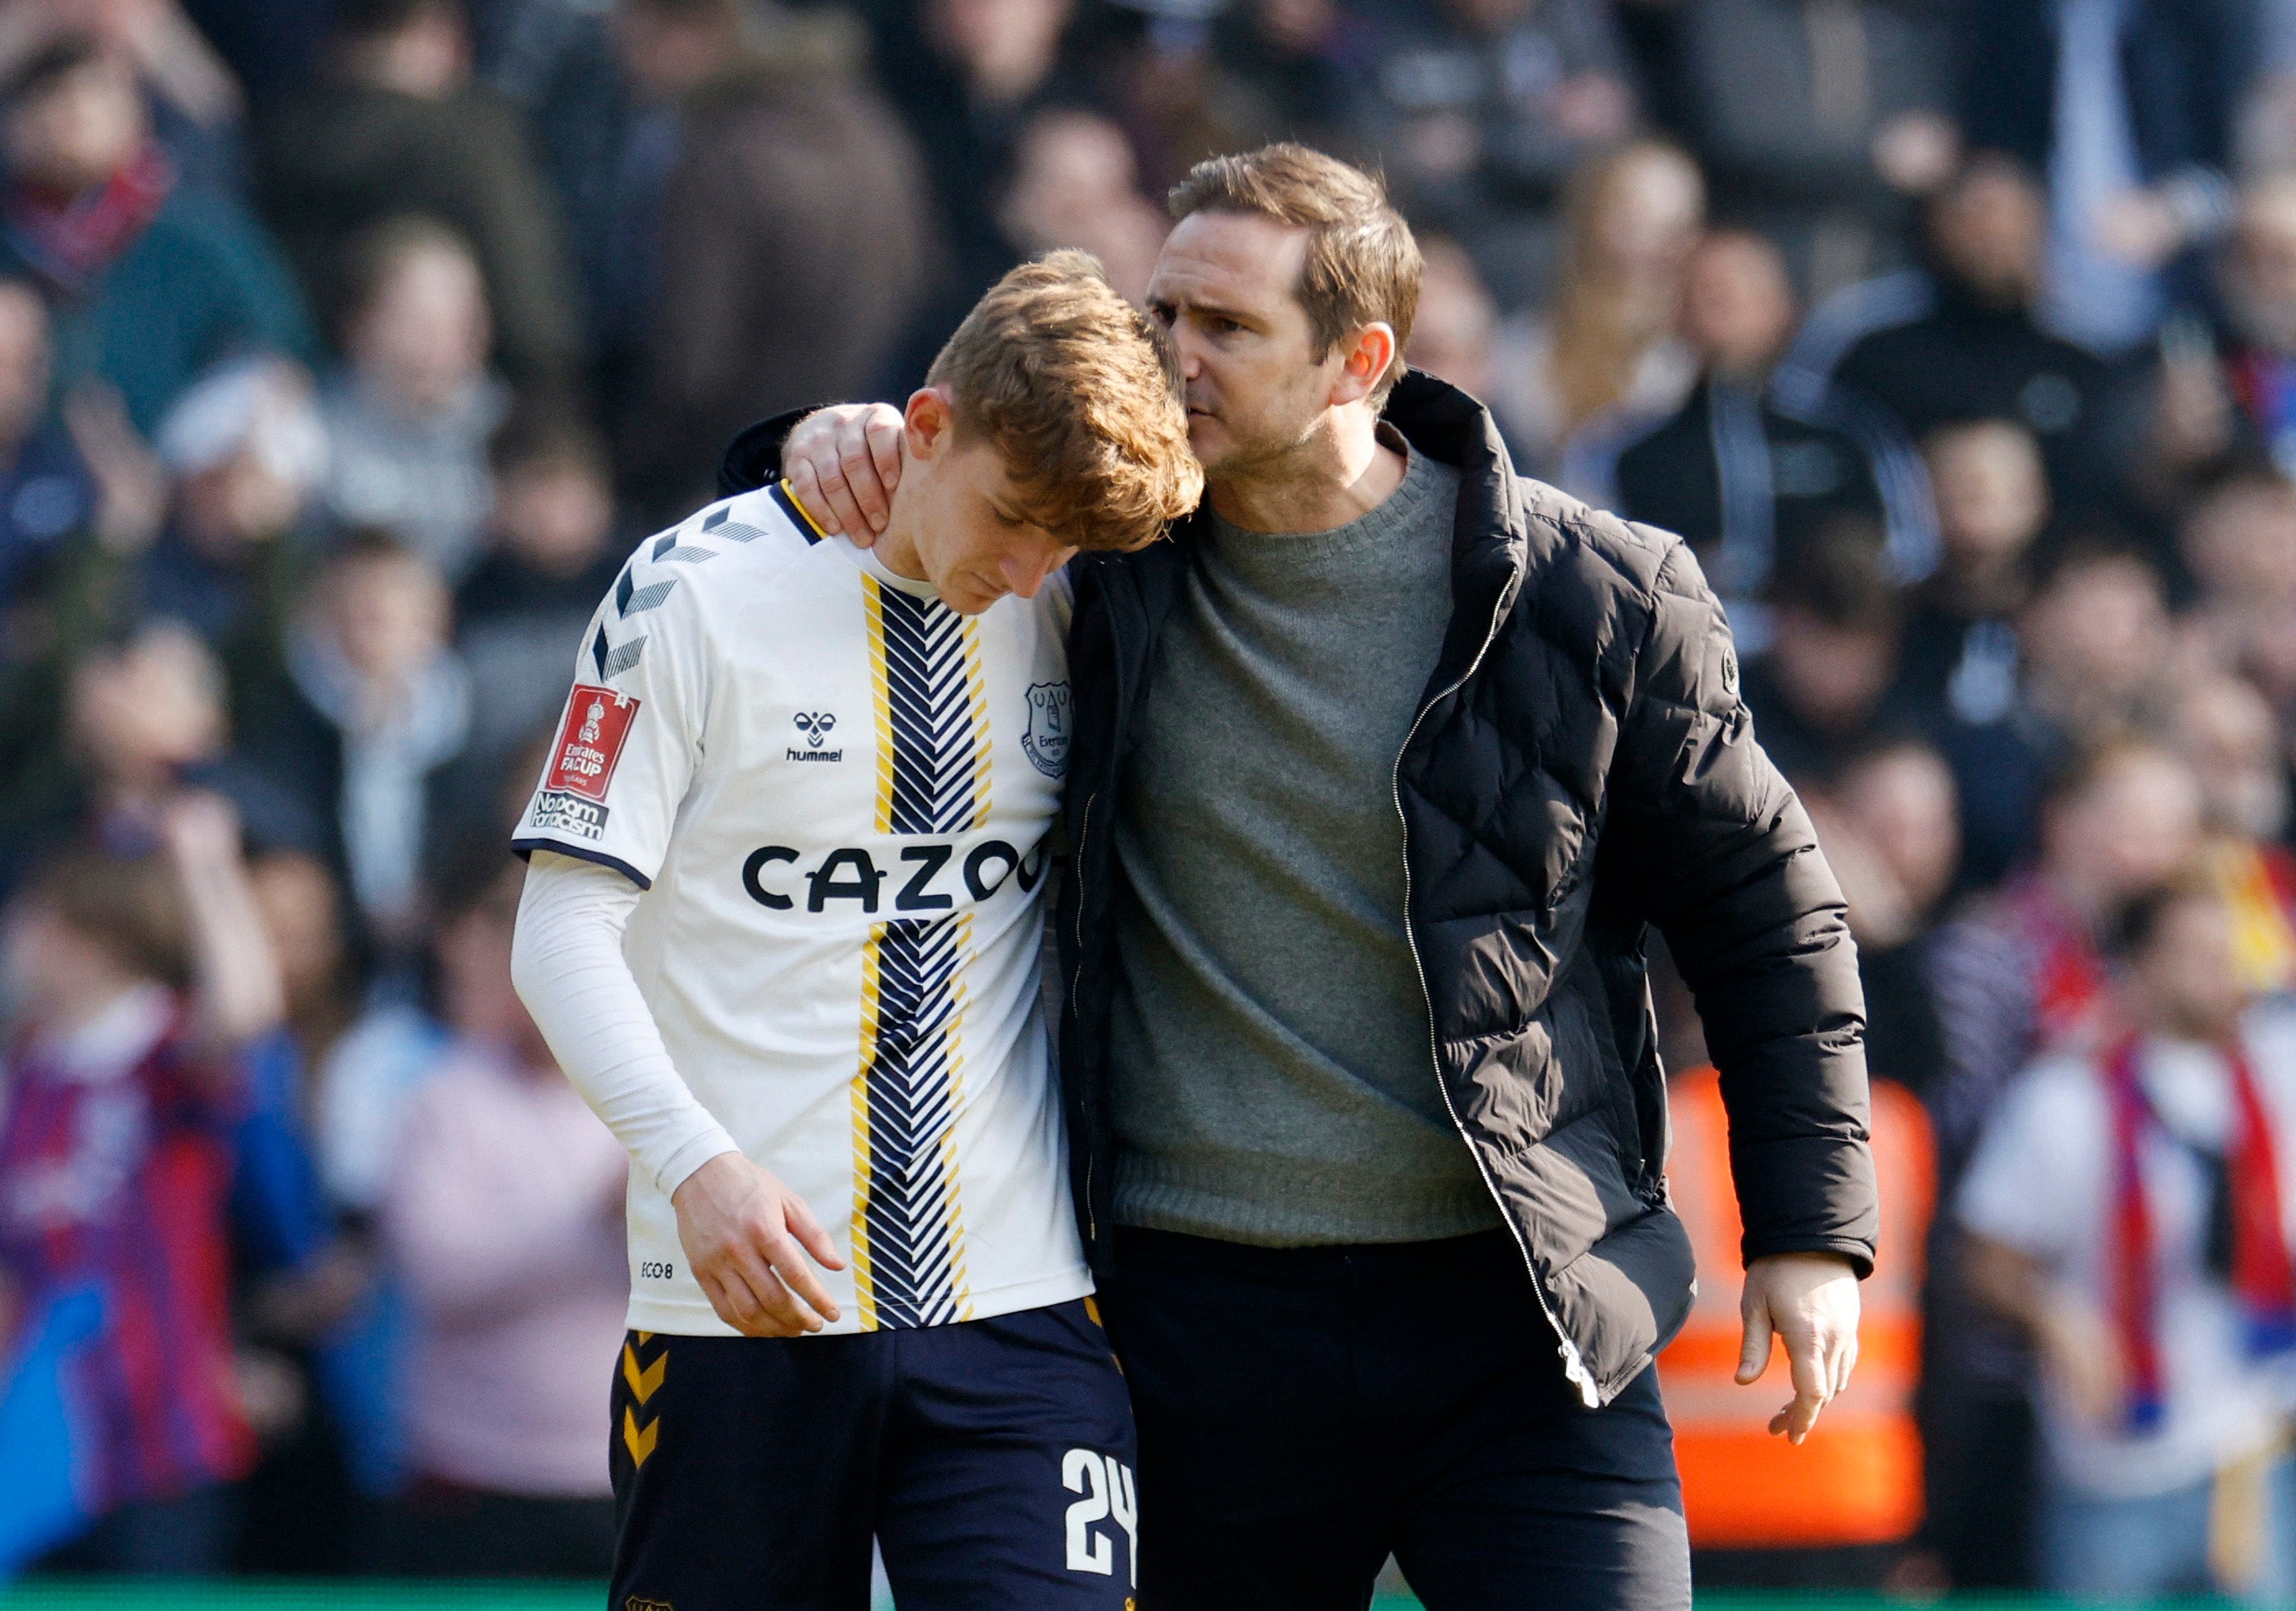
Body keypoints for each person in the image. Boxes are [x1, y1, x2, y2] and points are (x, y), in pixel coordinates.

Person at [779, 141, 1875, 1611]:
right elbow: (896, 511)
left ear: (1358, 359)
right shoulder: (1093, 556)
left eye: (1224, 329)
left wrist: (1809, 1233)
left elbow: (1767, 920)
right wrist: (817, 445)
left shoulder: (1595, 594)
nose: (1171, 359)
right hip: (1185, 1335)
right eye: (1160, 314)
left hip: (1518, 1319)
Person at [508, 251, 1199, 1609]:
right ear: (925, 427)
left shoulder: (1078, 592)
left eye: (1062, 544)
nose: (1026, 568)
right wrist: (695, 1166)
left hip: (1020, 1305)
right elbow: (559, 931)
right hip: (738, 1308)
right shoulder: (689, 593)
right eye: (1012, 519)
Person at [1959, 874, 2296, 1600]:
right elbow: (1985, 1260)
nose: (2223, 970)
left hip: (2251, 1459)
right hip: (2110, 1468)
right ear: (2137, 966)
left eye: (2229, 949)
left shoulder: (2275, 1077)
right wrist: (2054, 1315)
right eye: (2194, 952)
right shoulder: (2066, 1098)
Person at [0, 798, 285, 1572]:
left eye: (30, 920)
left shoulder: (165, 1052)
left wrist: (206, 866)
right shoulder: (27, 1074)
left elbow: (250, 1011)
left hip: (165, 1438)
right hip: (44, 1443)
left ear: (84, 938)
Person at [378, 855, 626, 1577]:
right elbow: (441, 1277)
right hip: (473, 1480)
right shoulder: (448, 1098)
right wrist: (595, 1220)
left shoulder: (658, 1101)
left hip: (638, 1468)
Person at [255, 0, 583, 394]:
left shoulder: (282, 130)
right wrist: (549, 393)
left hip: (308, 390)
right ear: (441, 31)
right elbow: (528, 299)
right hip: (458, 407)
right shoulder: (471, 141)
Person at [0, 35, 315, 436]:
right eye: (48, 99)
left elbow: (285, 357)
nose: (73, 113)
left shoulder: (203, 237)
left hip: (184, 483)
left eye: (95, 97)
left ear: (137, 116)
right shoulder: (13, 244)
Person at [319, 216, 508, 584]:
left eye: (458, 322)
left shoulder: (510, 432)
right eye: (418, 322)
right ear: (358, 325)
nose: (439, 343)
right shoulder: (307, 436)